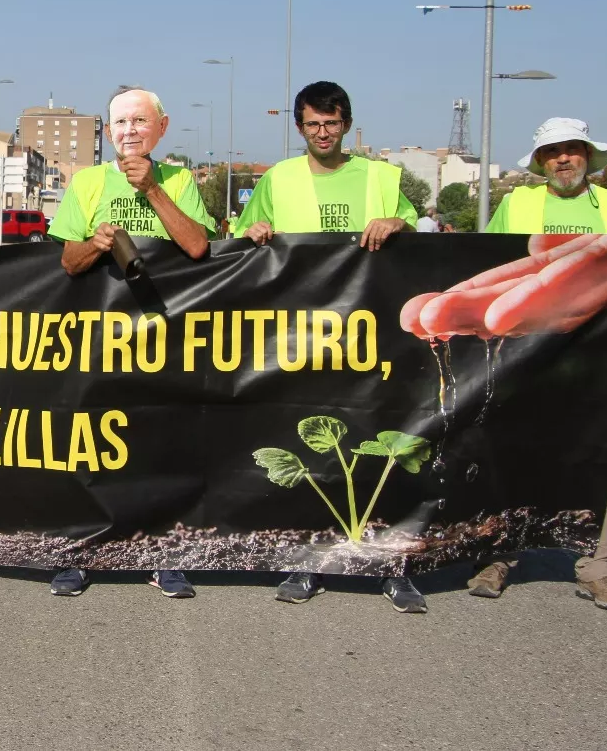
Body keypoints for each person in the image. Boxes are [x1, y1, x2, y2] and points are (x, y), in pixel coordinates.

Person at [235, 81, 425, 613]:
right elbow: (245, 239)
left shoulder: (382, 178)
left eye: (332, 123)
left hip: (373, 339)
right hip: (302, 340)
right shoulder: (279, 178)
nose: (323, 133)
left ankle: (393, 565)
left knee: (380, 446)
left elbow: (420, 241)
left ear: (347, 125)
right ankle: (308, 561)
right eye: (313, 124)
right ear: (299, 127)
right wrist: (255, 231)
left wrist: (398, 222)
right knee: (311, 450)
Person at [466, 117, 607, 612]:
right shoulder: (518, 204)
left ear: (587, 156)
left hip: (593, 357)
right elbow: (486, 265)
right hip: (524, 354)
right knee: (510, 451)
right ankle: (497, 559)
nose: (563, 159)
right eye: (553, 151)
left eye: (572, 149)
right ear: (540, 161)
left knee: (598, 455)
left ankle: (599, 571)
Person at [46, 86, 215, 599]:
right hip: (100, 339)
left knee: (160, 445)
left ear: (161, 128)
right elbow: (67, 262)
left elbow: (198, 246)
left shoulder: (179, 179)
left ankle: (162, 555)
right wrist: (94, 244)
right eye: (120, 123)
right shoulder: (89, 181)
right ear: (109, 132)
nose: (130, 131)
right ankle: (82, 553)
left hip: (165, 337)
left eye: (140, 121)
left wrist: (153, 192)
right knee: (89, 446)